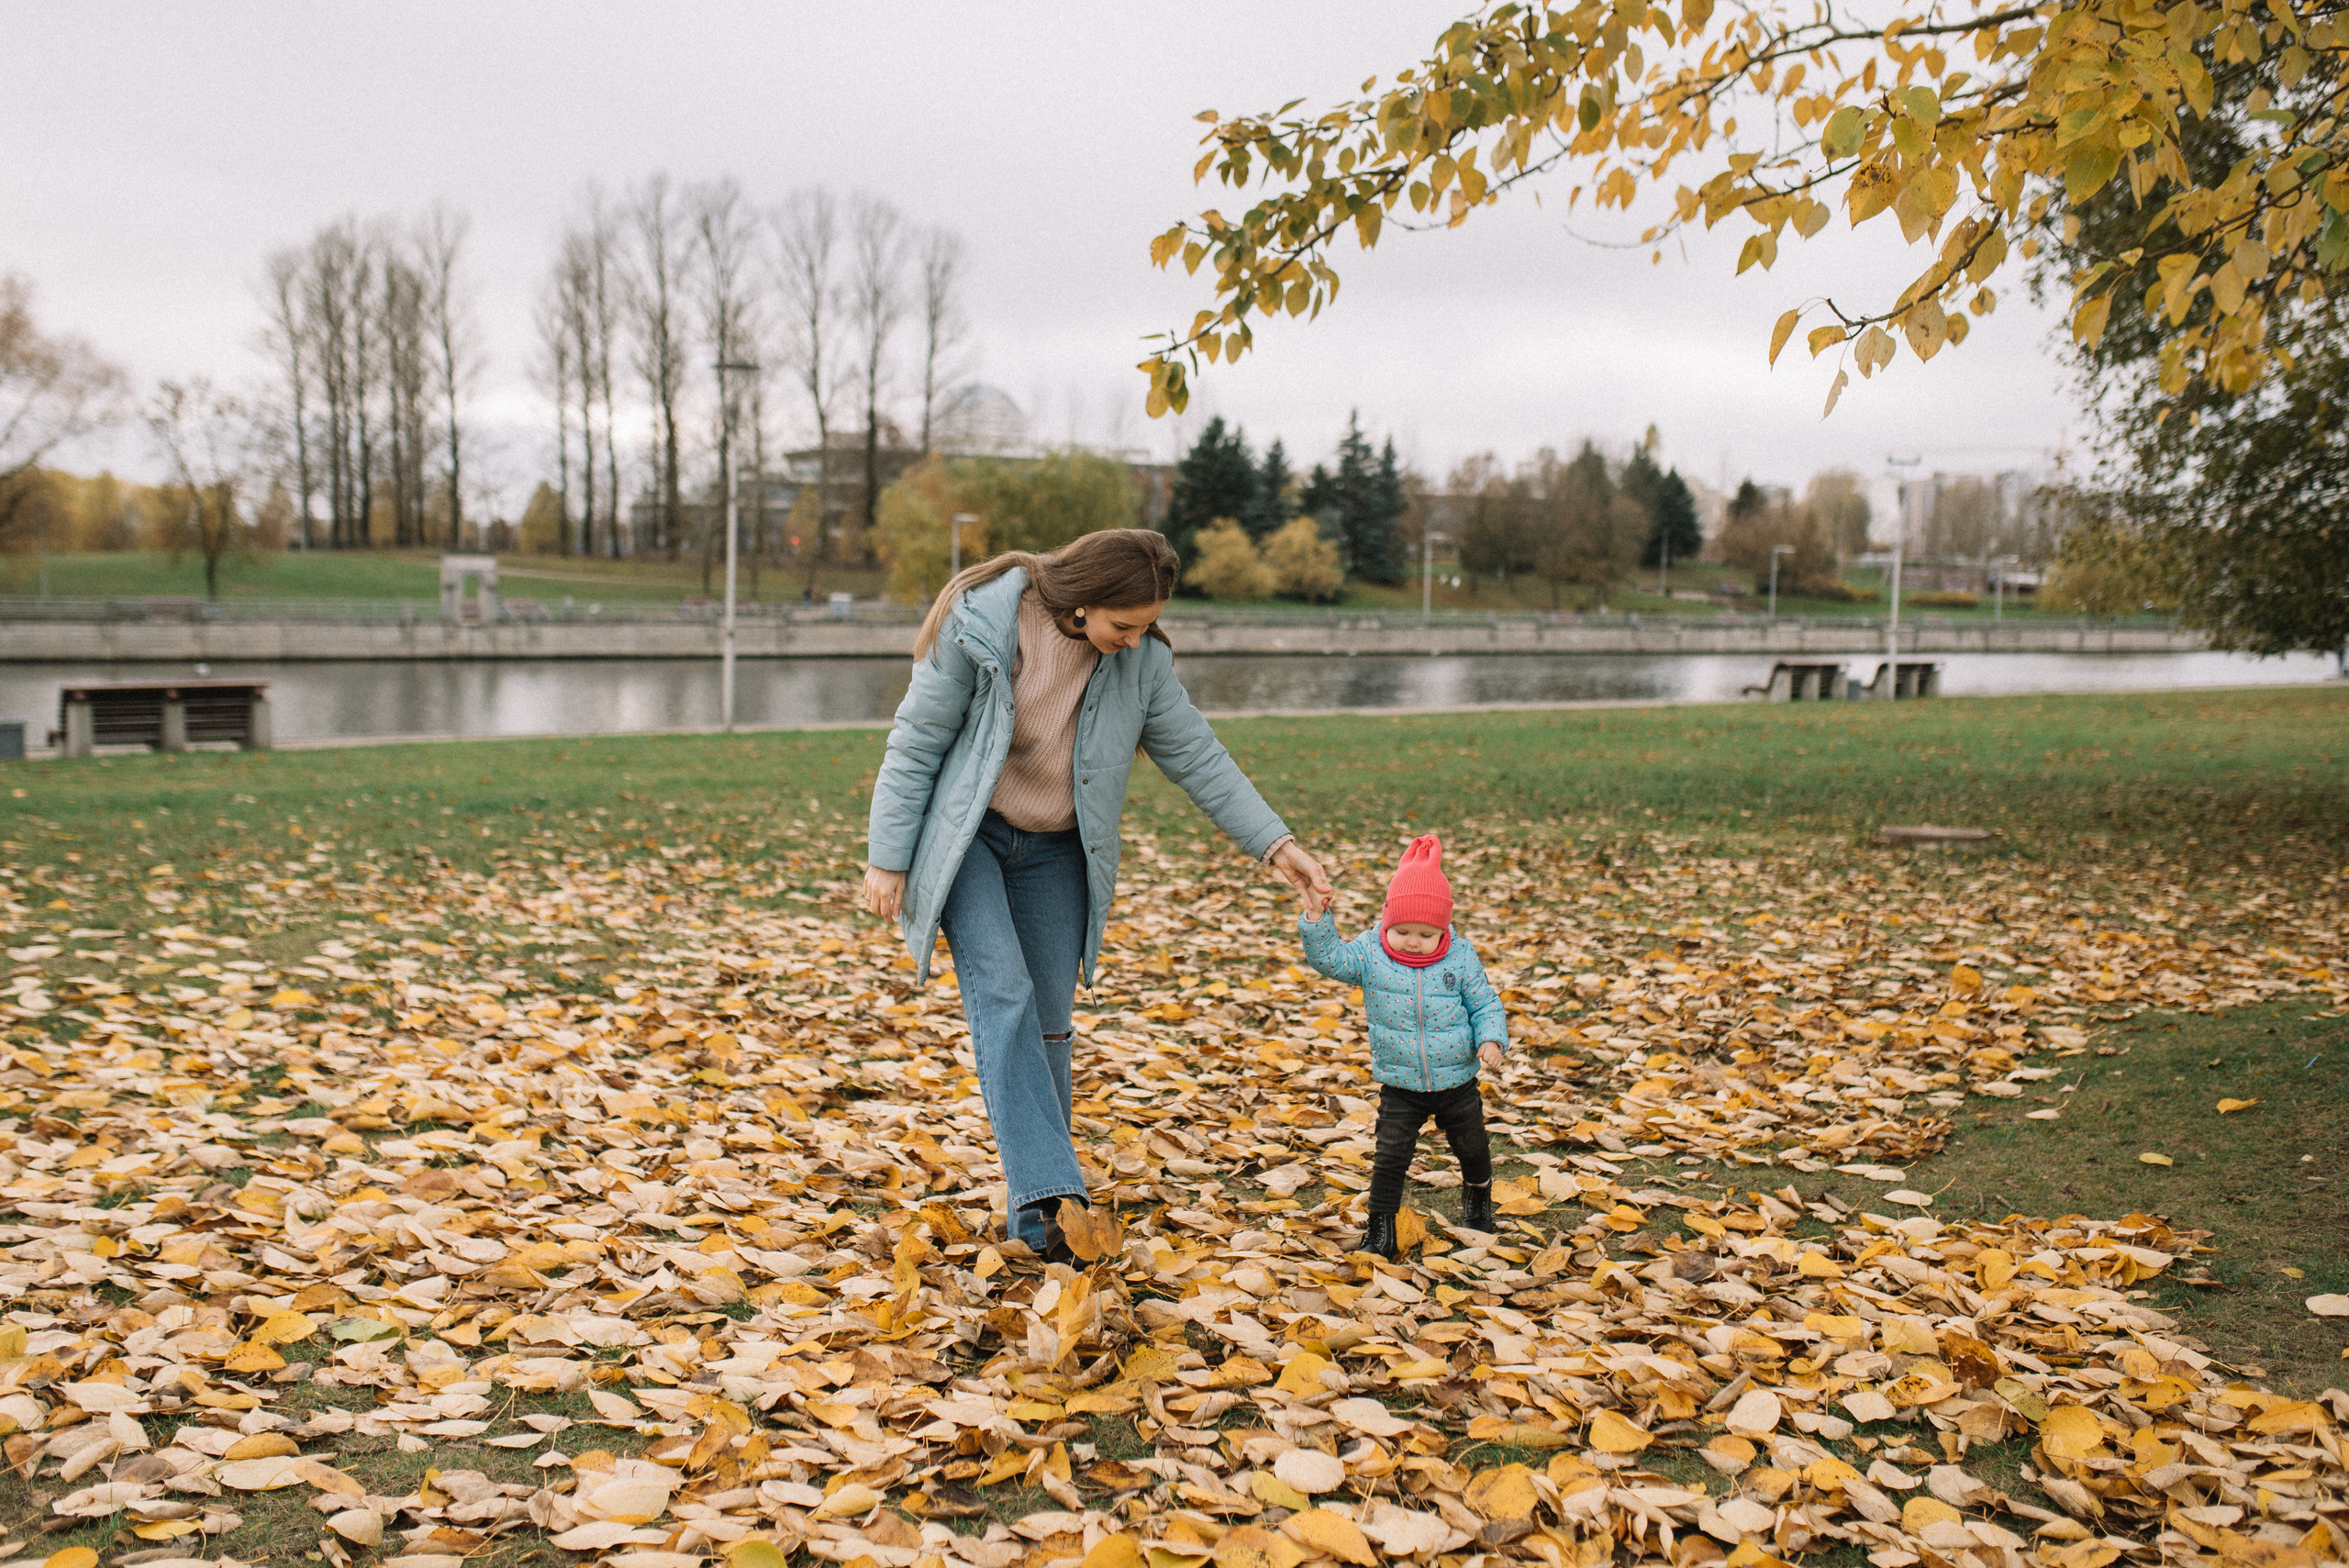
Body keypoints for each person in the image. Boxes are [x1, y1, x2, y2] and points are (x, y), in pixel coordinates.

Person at [863, 528, 1334, 1261]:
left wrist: (1277, 845)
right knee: (1004, 995)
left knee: (1049, 1027)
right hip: (969, 843)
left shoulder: (1139, 662)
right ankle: (1062, 1198)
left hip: (1056, 851)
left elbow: (1199, 756)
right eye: (1125, 625)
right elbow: (917, 738)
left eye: (1147, 626)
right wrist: (889, 858)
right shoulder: (983, 625)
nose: (1136, 639)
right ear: (1083, 603)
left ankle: (1037, 1228)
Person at [1297, 834, 1507, 1258]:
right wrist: (1317, 920)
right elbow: (1331, 960)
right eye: (1403, 931)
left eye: (1426, 934)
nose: (1413, 941)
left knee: (1472, 1146)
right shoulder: (1371, 954)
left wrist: (1491, 1037)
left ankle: (1479, 1199)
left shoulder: (1460, 957)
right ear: (1387, 920)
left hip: (1457, 1081)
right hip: (1400, 1084)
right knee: (1390, 1157)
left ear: (1443, 928)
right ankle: (1380, 1228)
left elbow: (1485, 1002)